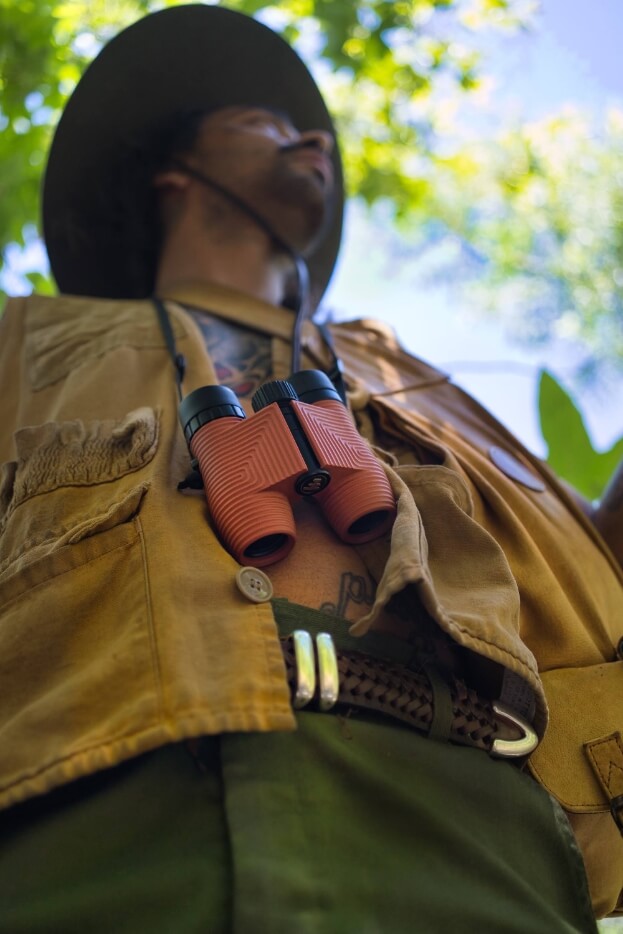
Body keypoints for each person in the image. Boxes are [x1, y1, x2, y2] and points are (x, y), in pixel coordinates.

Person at [0, 5, 620, 931]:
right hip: (85, 818)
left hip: (495, 841)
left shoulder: (419, 377)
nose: (312, 137)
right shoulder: (24, 339)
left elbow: (595, 572)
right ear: (176, 174)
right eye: (263, 122)